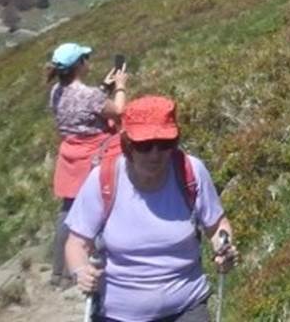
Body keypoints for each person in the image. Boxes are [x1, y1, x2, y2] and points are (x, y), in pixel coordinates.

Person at [64, 95, 238, 322]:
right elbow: (77, 243)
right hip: (118, 314)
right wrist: (80, 271)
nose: (155, 155)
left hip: (187, 307)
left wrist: (222, 247)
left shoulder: (191, 172)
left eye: (165, 144)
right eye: (144, 145)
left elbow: (217, 226)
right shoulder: (104, 180)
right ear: (128, 145)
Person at [48, 42, 127, 287]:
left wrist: (104, 87)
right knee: (102, 205)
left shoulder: (56, 92)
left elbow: (81, 105)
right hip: (93, 156)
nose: (88, 60)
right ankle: (98, 262)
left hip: (69, 154)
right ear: (79, 65)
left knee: (68, 209)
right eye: (85, 57)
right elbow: (119, 111)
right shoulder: (90, 95)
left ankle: (59, 271)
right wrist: (121, 87)